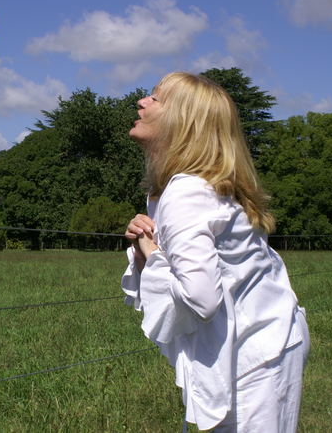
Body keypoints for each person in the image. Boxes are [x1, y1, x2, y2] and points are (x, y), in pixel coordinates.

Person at [121, 72, 309, 432]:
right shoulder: (191, 188)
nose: (142, 102)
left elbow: (200, 299)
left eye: (156, 98)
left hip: (257, 356)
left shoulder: (185, 192)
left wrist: (149, 249)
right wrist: (147, 254)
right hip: (267, 344)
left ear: (184, 122)